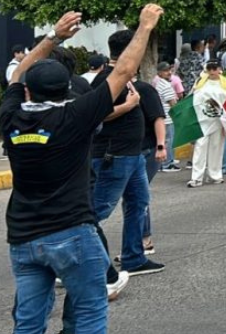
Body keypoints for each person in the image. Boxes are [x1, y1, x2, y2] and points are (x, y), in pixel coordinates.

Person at [1, 6, 161, 333]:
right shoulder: (75, 116)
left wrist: (54, 36)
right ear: (68, 89)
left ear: (28, 91)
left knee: (28, 322)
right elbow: (125, 70)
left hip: (24, 237)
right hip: (71, 231)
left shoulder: (11, 117)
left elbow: (17, 75)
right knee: (88, 311)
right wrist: (144, 27)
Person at [89, 28, 167, 278]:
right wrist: (128, 106)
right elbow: (95, 114)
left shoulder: (127, 78)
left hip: (132, 156)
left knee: (138, 203)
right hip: (114, 155)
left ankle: (134, 258)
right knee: (97, 210)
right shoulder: (107, 79)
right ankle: (76, 263)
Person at [187, 60, 226, 188]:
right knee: (200, 147)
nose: (212, 71)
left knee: (216, 147)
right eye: (210, 68)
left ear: (220, 69)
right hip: (202, 121)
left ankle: (215, 175)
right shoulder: (200, 82)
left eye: (215, 68)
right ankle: (196, 178)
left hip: (219, 121)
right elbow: (191, 98)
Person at [152, 62, 182, 172]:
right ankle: (167, 164)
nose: (169, 73)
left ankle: (163, 162)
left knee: (163, 140)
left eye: (170, 70)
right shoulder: (165, 85)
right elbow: (173, 103)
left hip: (160, 116)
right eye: (166, 71)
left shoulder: (156, 82)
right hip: (167, 117)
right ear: (159, 72)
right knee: (168, 140)